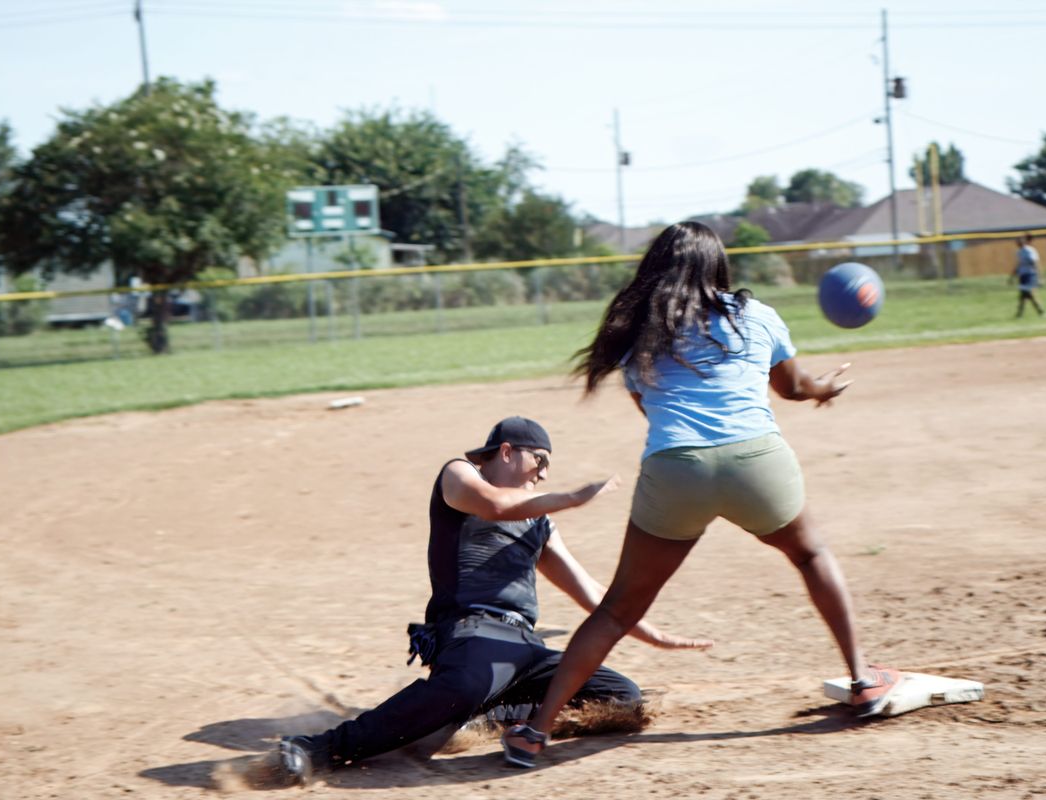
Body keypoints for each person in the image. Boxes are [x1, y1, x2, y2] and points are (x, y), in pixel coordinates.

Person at [501, 221, 902, 769]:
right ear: (718, 266)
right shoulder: (756, 315)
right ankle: (864, 680)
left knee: (619, 608)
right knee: (810, 554)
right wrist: (823, 389)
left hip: (676, 468)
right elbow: (793, 387)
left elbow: (656, 413)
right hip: (757, 461)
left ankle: (534, 733)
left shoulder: (641, 334)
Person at [273, 416, 711, 786]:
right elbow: (495, 505)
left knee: (619, 695)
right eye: (540, 461)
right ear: (507, 452)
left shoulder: (538, 520)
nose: (543, 474)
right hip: (470, 632)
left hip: (522, 649)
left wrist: (654, 635)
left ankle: (483, 716)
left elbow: (593, 593)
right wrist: (575, 498)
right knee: (461, 686)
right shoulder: (460, 476)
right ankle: (321, 747)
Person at [1009, 234, 1045, 318]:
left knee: (1030, 293)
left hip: (1030, 274)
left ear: (1023, 241)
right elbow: (1018, 265)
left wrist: (1040, 277)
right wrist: (1012, 277)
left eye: (1019, 241)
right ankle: (1020, 314)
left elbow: (1035, 264)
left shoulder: (1030, 251)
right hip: (1023, 275)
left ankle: (1041, 312)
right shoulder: (1019, 252)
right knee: (1023, 295)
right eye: (1017, 241)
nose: (1017, 243)